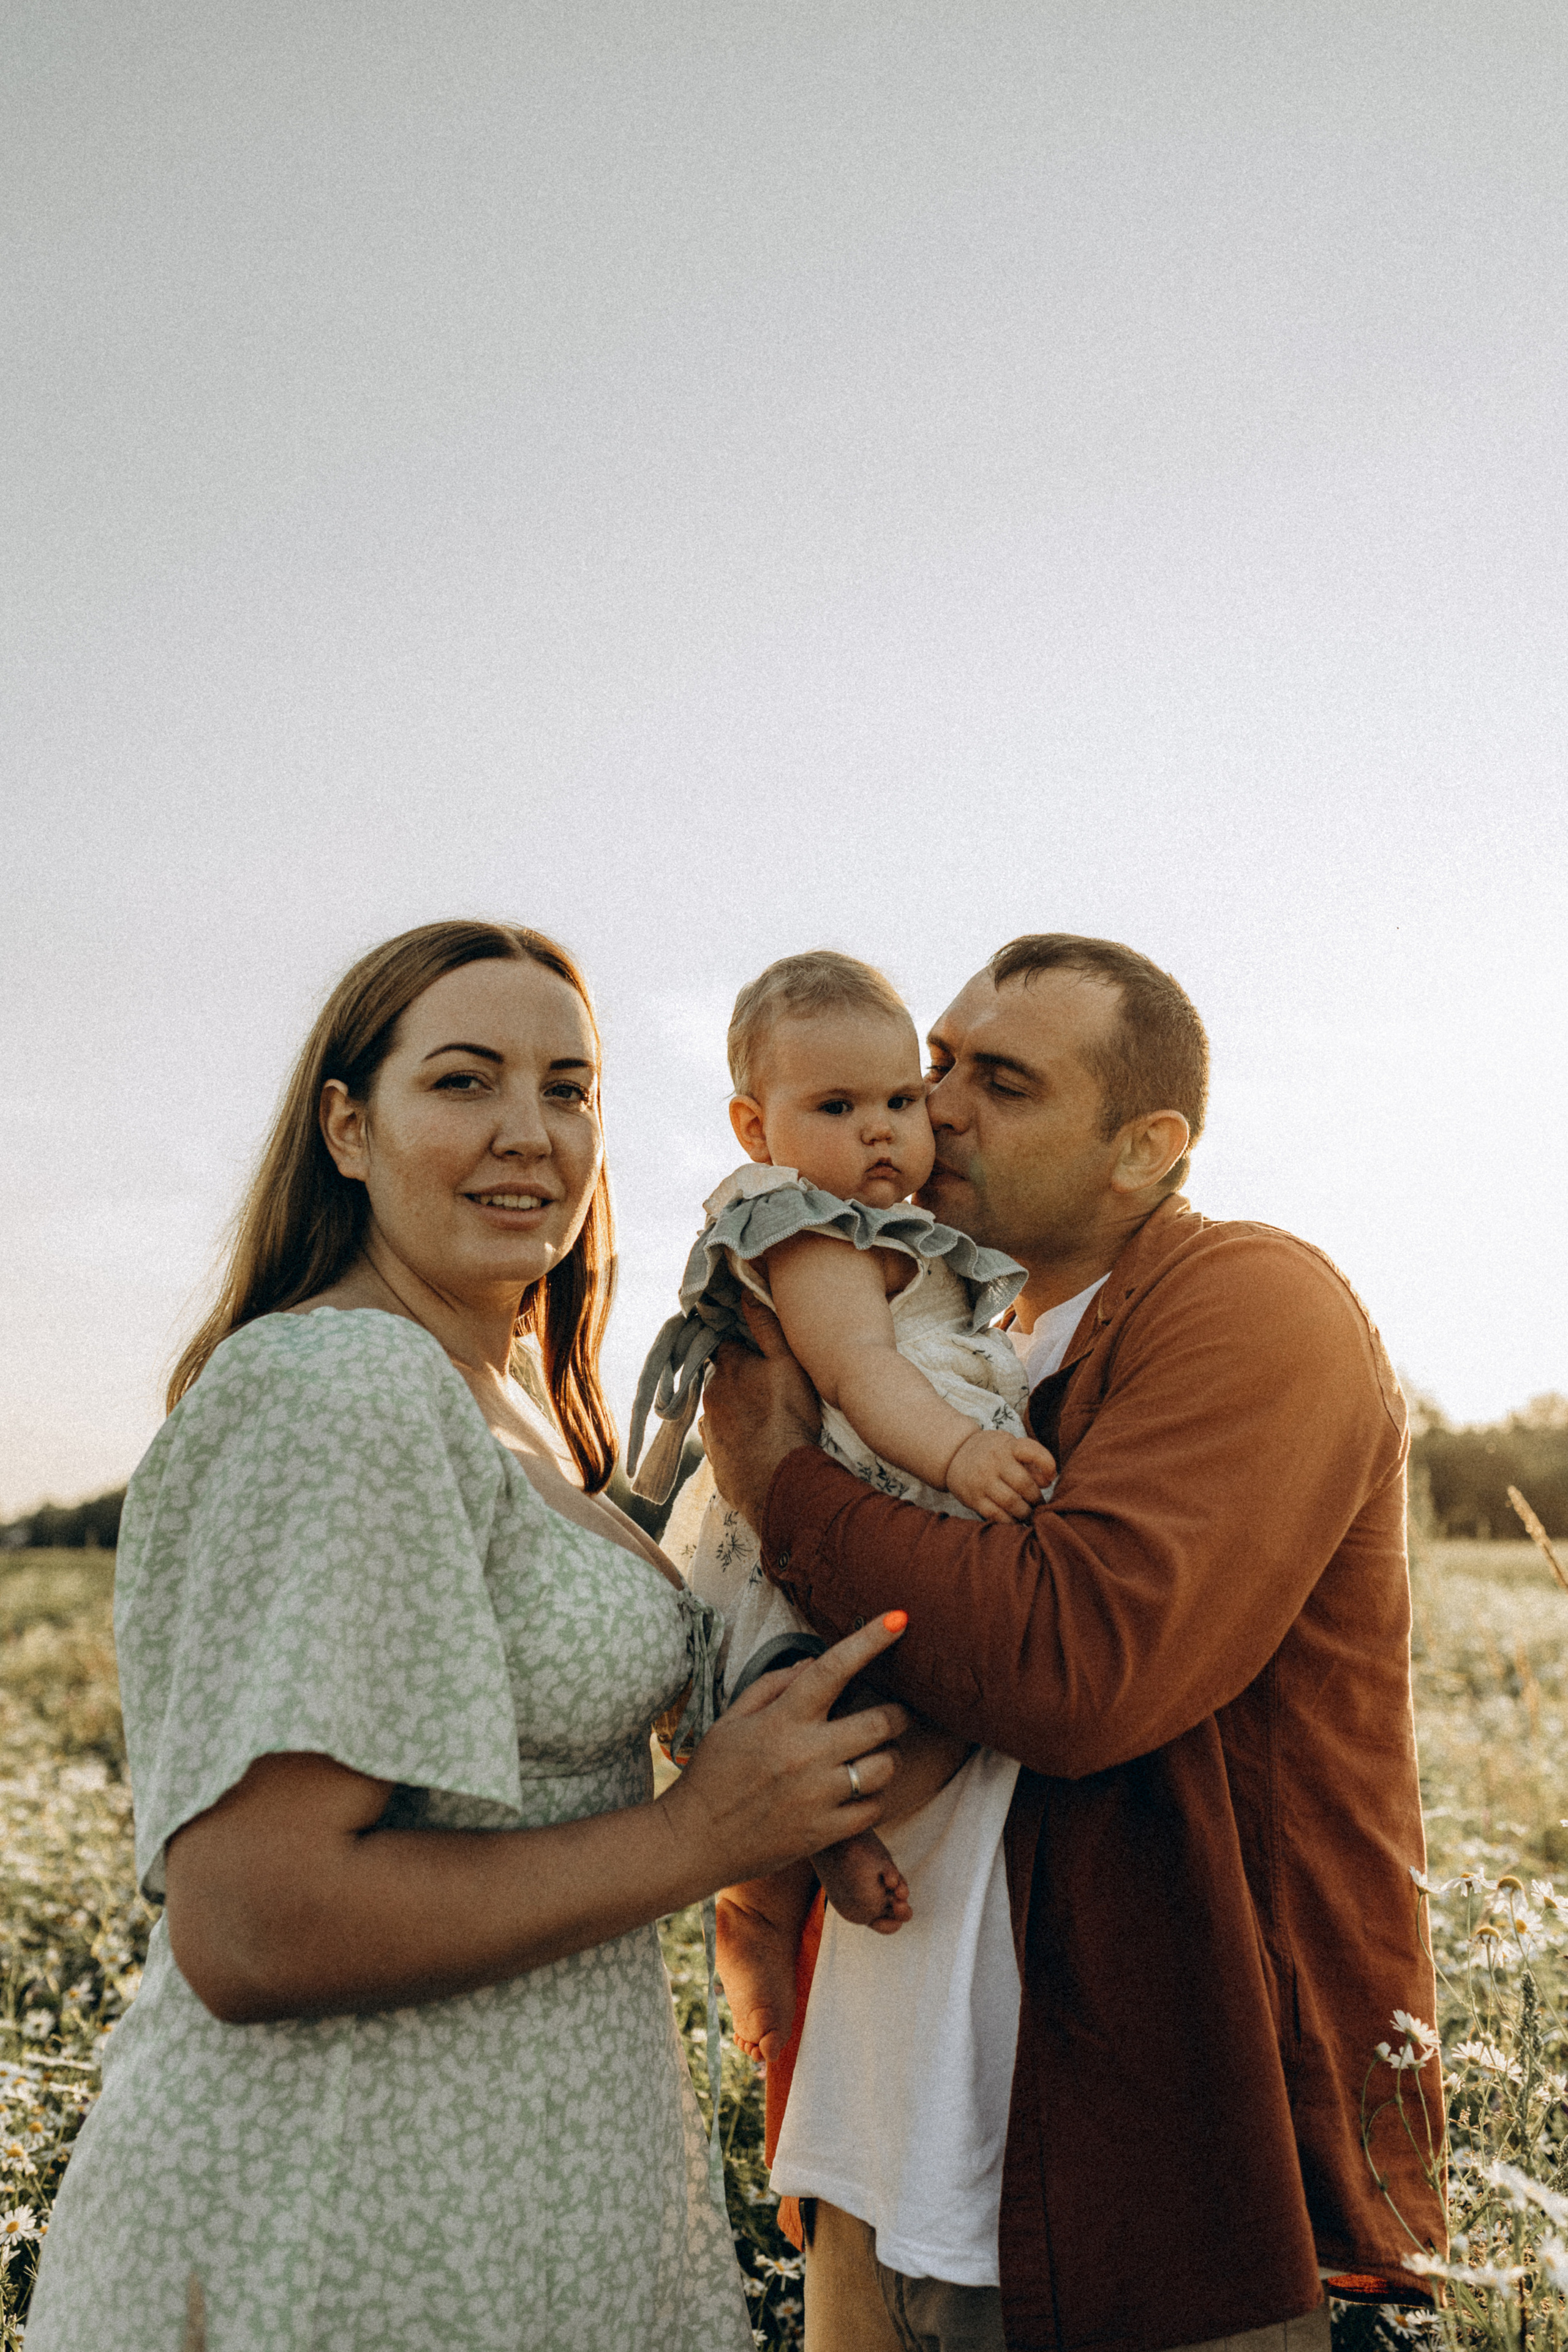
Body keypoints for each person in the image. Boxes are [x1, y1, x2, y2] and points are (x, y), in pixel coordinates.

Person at [26, 918, 913, 2352]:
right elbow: (253, 1923)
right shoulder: (343, 1385)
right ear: (346, 1127)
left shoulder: (513, 1409)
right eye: (462, 1082)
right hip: (330, 2240)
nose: (528, 1133)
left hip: (516, 2215)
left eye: (567, 1089)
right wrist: (703, 1836)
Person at [701, 934, 1444, 2352]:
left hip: (1151, 2193)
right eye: (935, 1067)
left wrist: (779, 1476)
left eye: (1003, 1080)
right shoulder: (945, 1348)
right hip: (872, 2152)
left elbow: (1070, 1668)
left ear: (1143, 1146)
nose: (939, 1106)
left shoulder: (1251, 1301)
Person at [629, 952, 1054, 2099]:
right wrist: (964, 1453)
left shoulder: (893, 1228)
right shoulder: (801, 1228)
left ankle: (795, 1870)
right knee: (825, 1707)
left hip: (879, 1498)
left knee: (888, 1712)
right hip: (833, 1509)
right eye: (836, 1107)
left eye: (900, 1101)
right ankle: (758, 1910)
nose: (883, 1131)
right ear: (754, 1126)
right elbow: (860, 1371)